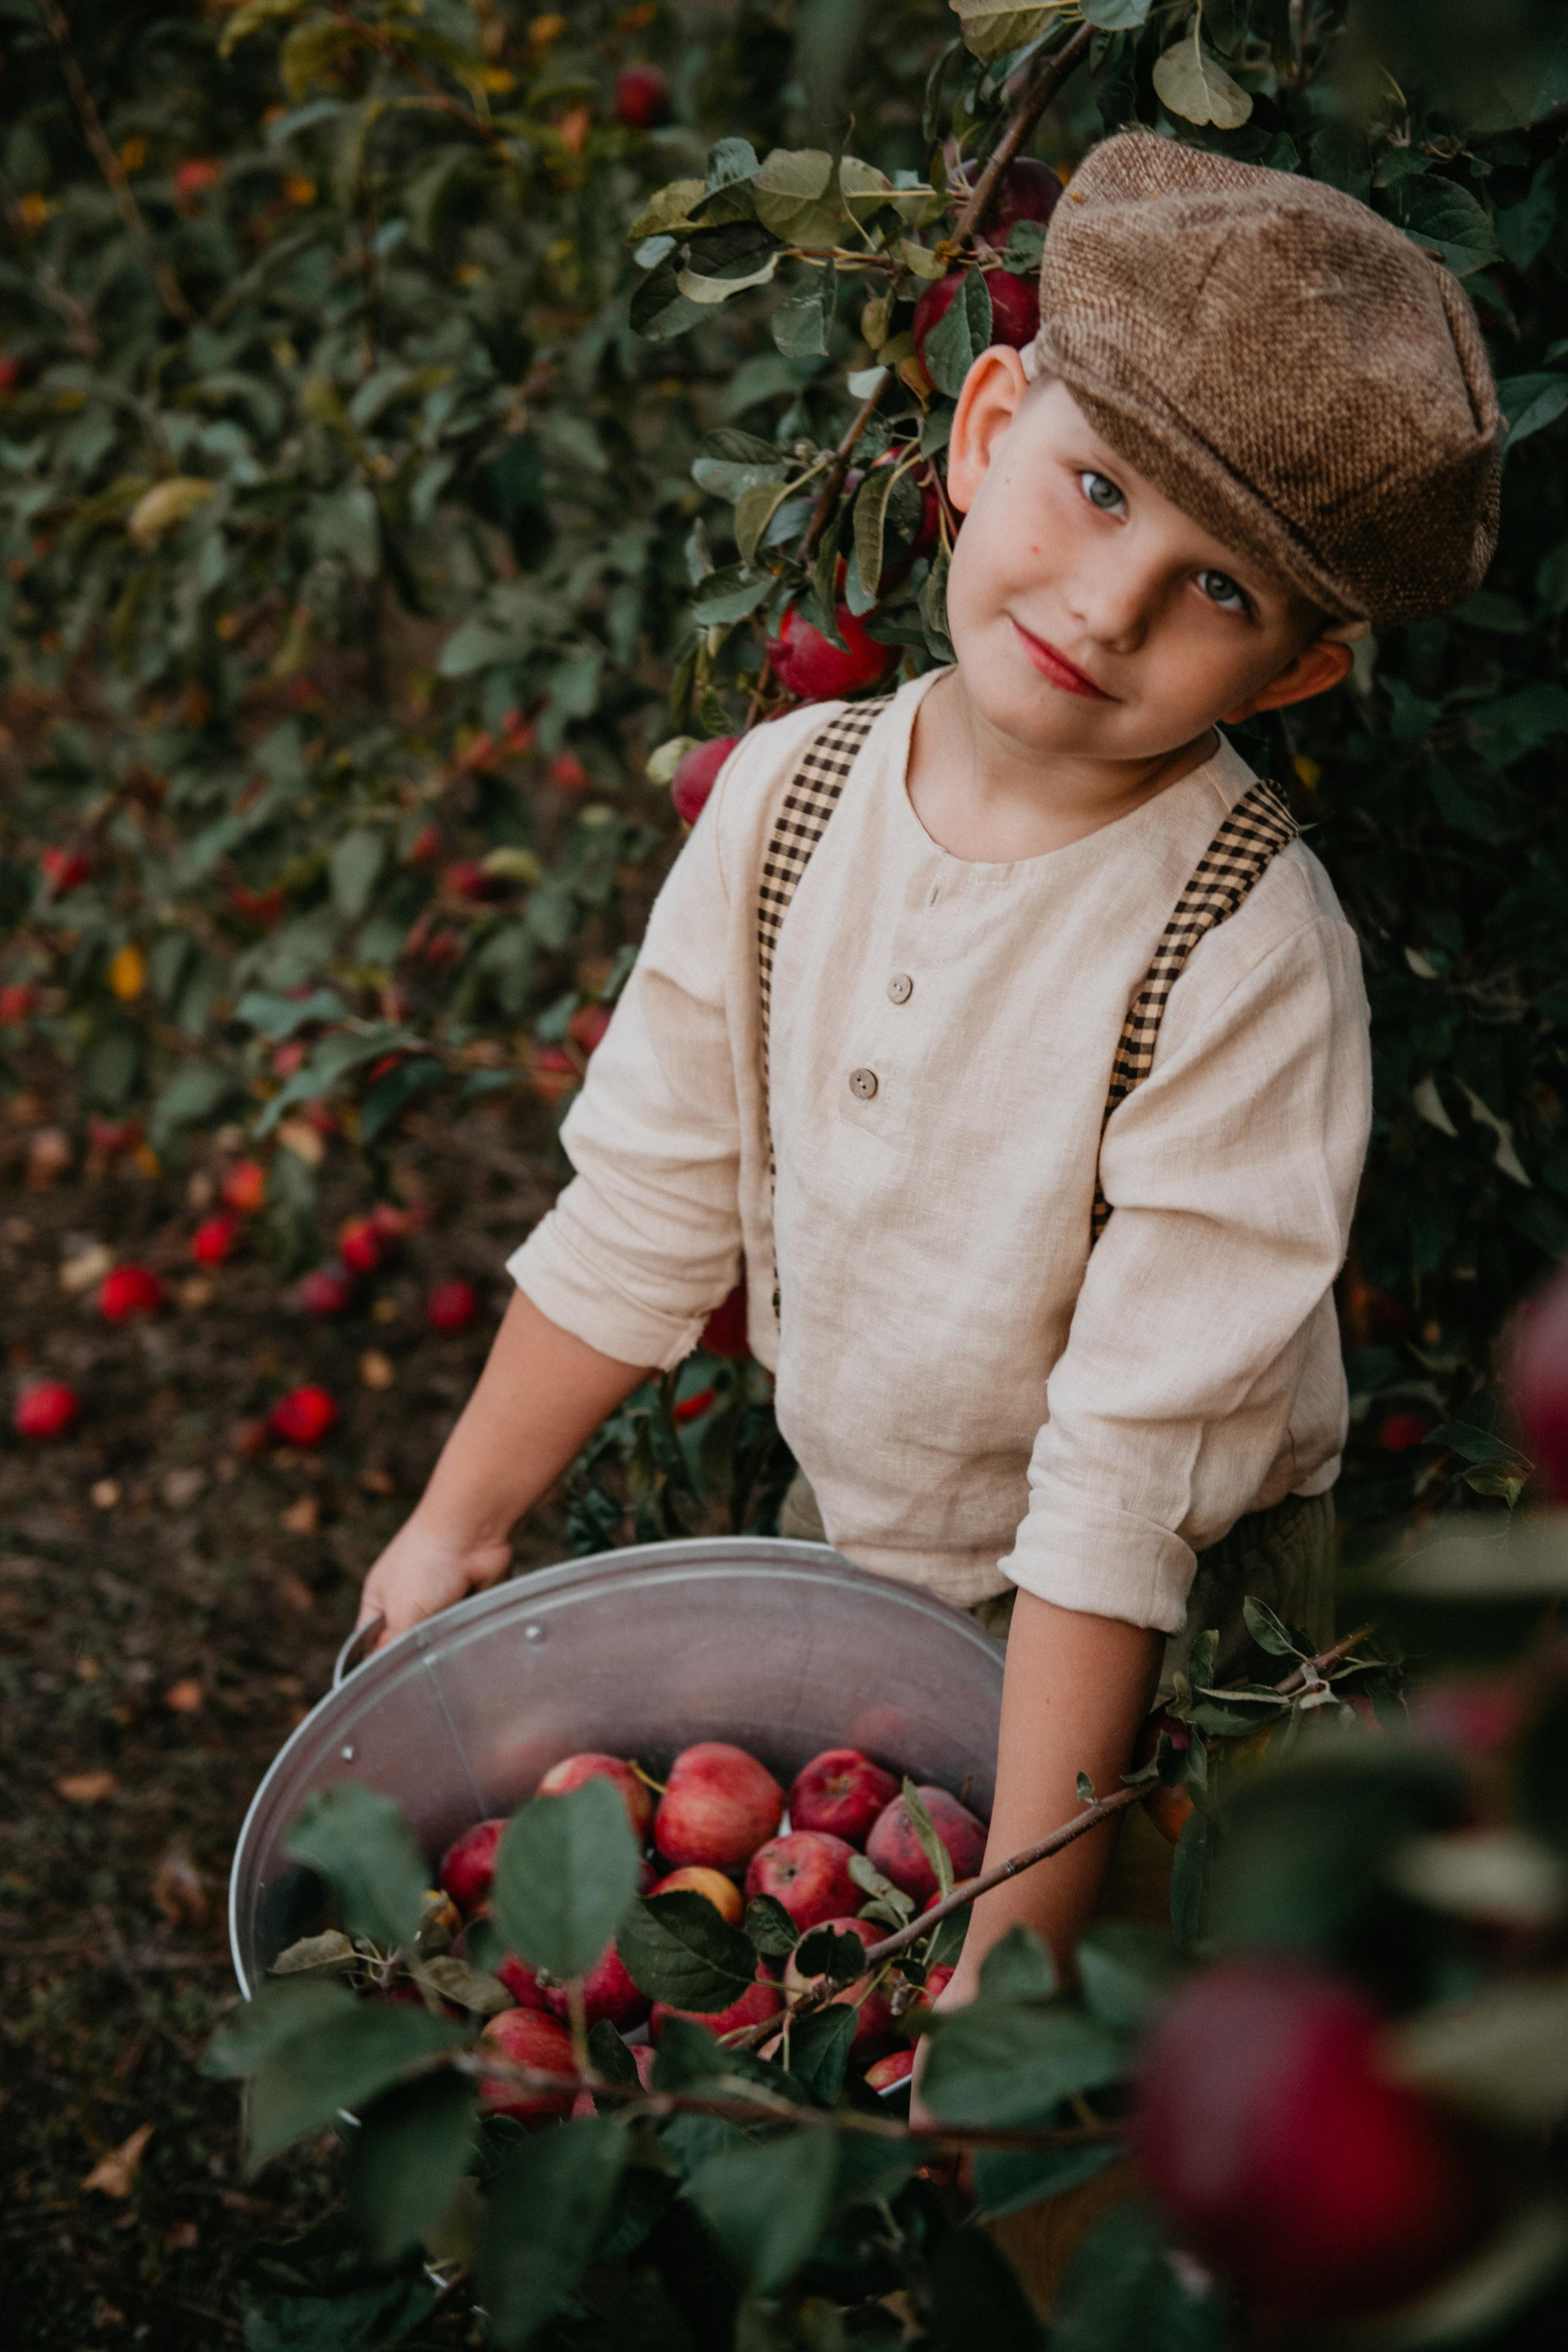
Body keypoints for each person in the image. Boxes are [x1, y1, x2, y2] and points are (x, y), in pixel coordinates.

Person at [356, 134, 1499, 2002]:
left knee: (1071, 2108)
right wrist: (453, 1520)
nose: (1114, 603)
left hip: (1153, 1654)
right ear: (982, 436)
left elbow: (1127, 1488)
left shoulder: (1241, 953)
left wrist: (1022, 1945)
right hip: (864, 1568)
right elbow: (645, 1206)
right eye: (1100, 485)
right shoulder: (790, 804)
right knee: (809, 2025)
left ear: (1292, 680)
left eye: (1219, 591)